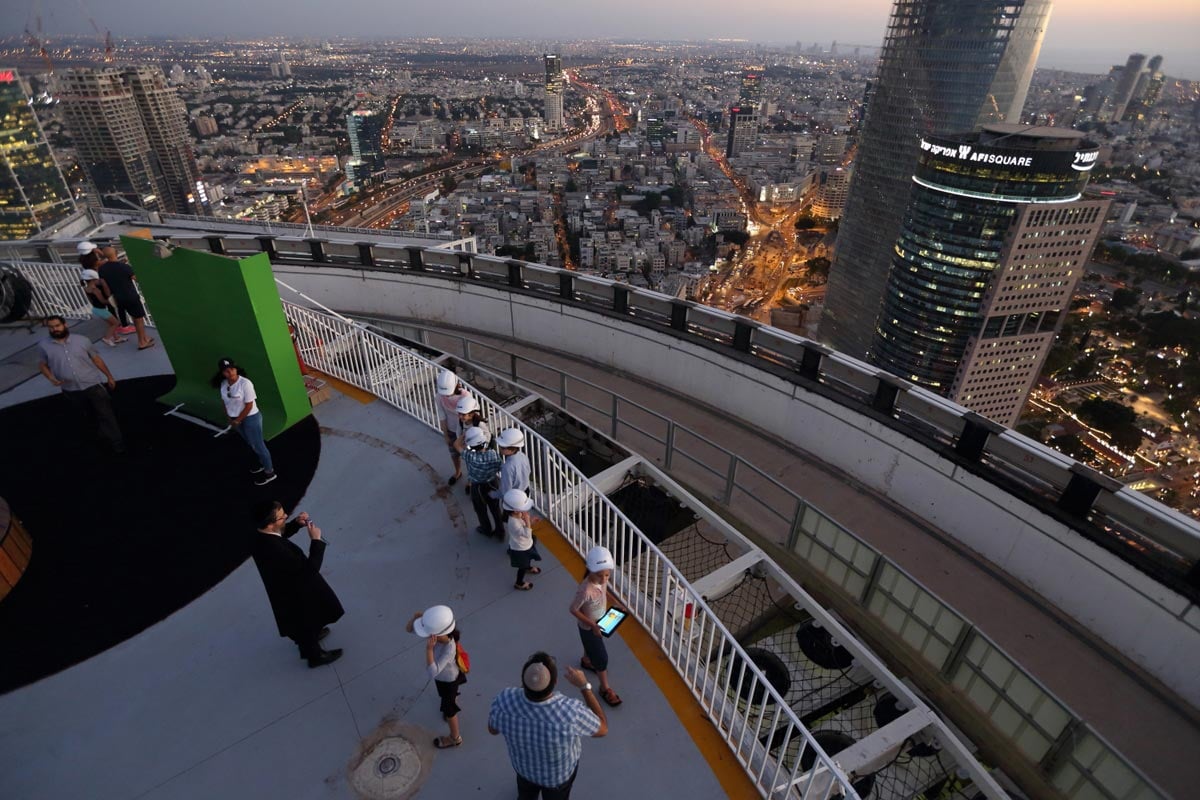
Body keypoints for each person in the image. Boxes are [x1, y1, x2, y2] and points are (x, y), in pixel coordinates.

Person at [488, 652, 607, 800]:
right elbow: (602, 728)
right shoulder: (570, 712)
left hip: (524, 770)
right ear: (554, 682)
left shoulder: (504, 699)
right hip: (557, 779)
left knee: (525, 795)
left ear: (523, 680)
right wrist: (584, 686)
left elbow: (492, 730)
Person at [250, 500, 344, 668]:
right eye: (281, 517)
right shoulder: (275, 550)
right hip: (296, 592)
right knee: (304, 621)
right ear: (270, 524)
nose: (286, 516)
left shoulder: (261, 536)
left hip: (285, 589)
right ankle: (315, 657)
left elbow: (278, 537)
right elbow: (309, 570)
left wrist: (294, 525)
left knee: (305, 621)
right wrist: (316, 541)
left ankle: (312, 635)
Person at [37, 315, 125, 454]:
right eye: (51, 327)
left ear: (65, 325)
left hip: (93, 385)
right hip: (70, 389)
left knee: (106, 414)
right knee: (87, 415)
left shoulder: (82, 341)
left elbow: (96, 359)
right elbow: (42, 365)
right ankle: (100, 436)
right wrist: (50, 377)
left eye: (57, 326)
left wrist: (109, 377)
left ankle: (117, 442)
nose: (55, 329)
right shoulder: (43, 346)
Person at [406, 605, 465, 749]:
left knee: (450, 712)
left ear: (437, 634)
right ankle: (454, 698)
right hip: (448, 677)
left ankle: (455, 738)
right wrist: (415, 619)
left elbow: (433, 672)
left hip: (448, 680)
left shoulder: (449, 648)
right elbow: (408, 629)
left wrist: (429, 650)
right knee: (450, 695)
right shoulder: (441, 634)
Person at [570, 546, 623, 707]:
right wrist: (593, 625)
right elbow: (573, 609)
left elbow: (604, 590)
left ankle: (586, 660)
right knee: (601, 658)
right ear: (590, 571)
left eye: (607, 575)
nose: (604, 579)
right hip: (590, 627)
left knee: (590, 647)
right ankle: (604, 688)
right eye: (600, 575)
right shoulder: (585, 590)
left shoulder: (601, 581)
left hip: (597, 623)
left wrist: (614, 601)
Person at [213, 357, 277, 486]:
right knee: (250, 443)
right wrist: (229, 418)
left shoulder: (245, 384)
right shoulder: (224, 384)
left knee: (259, 446)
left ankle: (270, 473)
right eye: (226, 371)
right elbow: (224, 401)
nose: (230, 372)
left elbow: (249, 405)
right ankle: (262, 464)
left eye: (232, 369)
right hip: (236, 420)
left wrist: (237, 420)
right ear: (222, 373)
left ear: (236, 369)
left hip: (250, 419)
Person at [97, 245, 154, 349]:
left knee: (134, 317)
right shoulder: (124, 267)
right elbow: (136, 278)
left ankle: (144, 337)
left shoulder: (102, 269)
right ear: (116, 254)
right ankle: (142, 342)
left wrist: (110, 297)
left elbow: (104, 285)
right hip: (130, 296)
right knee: (139, 319)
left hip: (118, 297)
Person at [456, 425, 504, 538]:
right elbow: (499, 466)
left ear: (470, 444)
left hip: (477, 487)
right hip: (492, 483)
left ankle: (486, 529)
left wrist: (464, 435)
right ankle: (500, 532)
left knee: (480, 510)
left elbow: (456, 445)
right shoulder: (493, 454)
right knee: (496, 509)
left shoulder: (470, 456)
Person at [79, 241, 134, 334]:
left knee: (111, 306)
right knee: (117, 304)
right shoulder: (96, 261)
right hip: (104, 284)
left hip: (97, 283)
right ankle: (123, 326)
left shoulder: (83, 259)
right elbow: (110, 260)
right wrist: (100, 252)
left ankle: (116, 324)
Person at [503, 489, 542, 591]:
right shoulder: (513, 523)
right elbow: (526, 534)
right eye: (523, 508)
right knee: (522, 567)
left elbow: (524, 526)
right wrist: (528, 521)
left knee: (529, 554)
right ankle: (519, 583)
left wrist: (530, 521)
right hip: (520, 548)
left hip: (525, 545)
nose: (525, 511)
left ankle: (528, 566)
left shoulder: (517, 515)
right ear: (515, 510)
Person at [435, 369, 468, 485]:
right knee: (454, 454)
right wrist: (446, 435)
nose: (446, 395)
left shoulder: (465, 396)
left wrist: (464, 435)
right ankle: (458, 472)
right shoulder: (439, 396)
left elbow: (469, 416)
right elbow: (442, 415)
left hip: (465, 431)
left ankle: (470, 480)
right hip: (451, 430)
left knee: (469, 456)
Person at [80, 266, 126, 347]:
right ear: (93, 279)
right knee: (116, 323)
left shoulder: (86, 288)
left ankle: (116, 338)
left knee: (110, 324)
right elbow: (103, 301)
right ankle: (107, 338)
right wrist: (112, 300)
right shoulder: (95, 289)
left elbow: (91, 300)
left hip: (95, 309)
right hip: (101, 310)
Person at [455, 393, 490, 495]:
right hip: (468, 450)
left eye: (463, 414)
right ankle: (470, 482)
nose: (460, 416)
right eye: (459, 414)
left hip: (479, 451)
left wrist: (483, 448)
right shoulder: (461, 422)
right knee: (470, 467)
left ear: (471, 414)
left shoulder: (479, 424)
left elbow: (487, 436)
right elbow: (458, 432)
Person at [497, 428, 531, 519]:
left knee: (513, 520)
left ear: (511, 449)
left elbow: (506, 489)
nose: (500, 448)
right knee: (523, 514)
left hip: (514, 498)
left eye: (503, 447)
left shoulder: (507, 467)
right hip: (525, 491)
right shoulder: (523, 456)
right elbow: (528, 471)